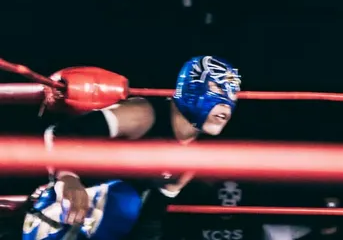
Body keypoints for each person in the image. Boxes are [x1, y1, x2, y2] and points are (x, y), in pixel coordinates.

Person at [23, 57, 239, 240]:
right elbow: (61, 133)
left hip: (108, 228)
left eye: (233, 95)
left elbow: (151, 219)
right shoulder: (142, 115)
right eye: (218, 89)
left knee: (126, 203)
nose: (227, 104)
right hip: (59, 213)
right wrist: (68, 177)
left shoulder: (191, 158)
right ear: (192, 87)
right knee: (123, 198)